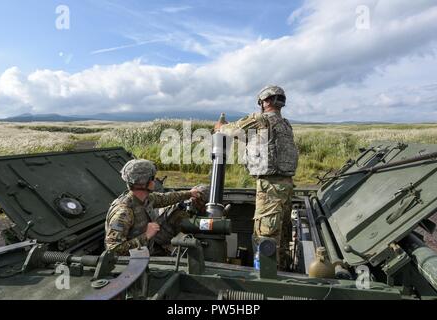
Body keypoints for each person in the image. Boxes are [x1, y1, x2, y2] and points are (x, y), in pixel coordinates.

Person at [214, 85, 299, 270]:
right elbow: (263, 144)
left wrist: (220, 127)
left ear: (265, 101)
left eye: (261, 102)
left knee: (265, 236)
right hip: (286, 186)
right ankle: (283, 273)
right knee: (282, 235)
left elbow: (229, 130)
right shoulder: (285, 124)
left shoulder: (260, 119)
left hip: (269, 188)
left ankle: (265, 280)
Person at [105, 159, 202, 256]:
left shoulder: (146, 198)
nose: (155, 181)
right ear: (144, 182)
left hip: (145, 254)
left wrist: (189, 193)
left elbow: (166, 198)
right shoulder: (124, 212)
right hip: (130, 265)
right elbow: (114, 250)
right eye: (152, 178)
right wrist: (146, 235)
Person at [152, 184, 210, 254]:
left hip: (161, 239)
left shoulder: (185, 203)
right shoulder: (182, 211)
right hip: (157, 244)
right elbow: (186, 235)